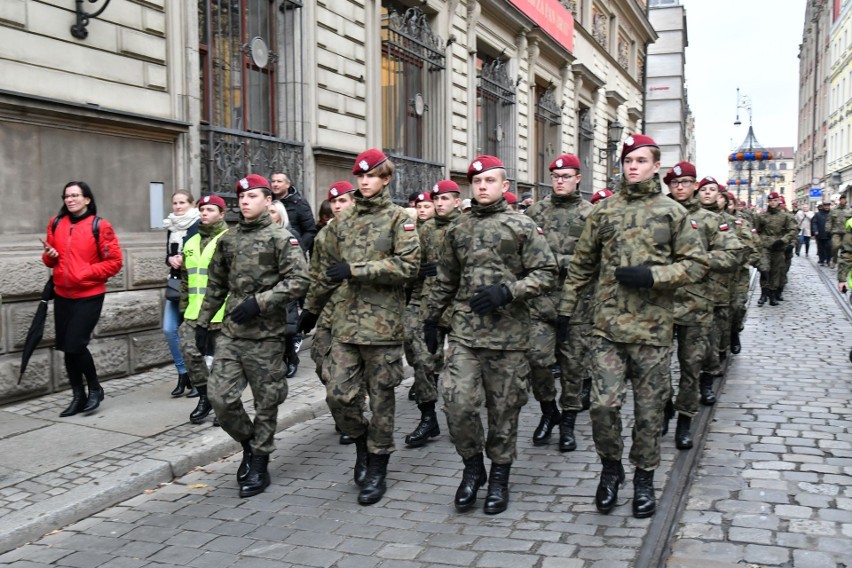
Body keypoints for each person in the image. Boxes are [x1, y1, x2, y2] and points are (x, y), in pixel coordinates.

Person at [557, 135, 708, 519]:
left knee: (649, 412)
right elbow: (581, 265)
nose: (633, 167)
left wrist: (653, 276)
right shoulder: (603, 212)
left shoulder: (671, 212)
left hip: (652, 332)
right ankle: (611, 470)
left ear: (656, 166)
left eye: (641, 160)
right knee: (603, 407)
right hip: (606, 328)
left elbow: (695, 265)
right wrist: (565, 311)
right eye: (628, 161)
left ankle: (644, 478)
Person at [424, 155, 557, 515]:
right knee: (457, 403)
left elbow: (547, 272)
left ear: (504, 186)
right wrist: (431, 320)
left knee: (504, 410)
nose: (482, 187)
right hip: (465, 334)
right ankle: (473, 468)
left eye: (490, 181)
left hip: (509, 337)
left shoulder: (522, 226)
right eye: (477, 182)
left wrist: (509, 291)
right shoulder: (458, 229)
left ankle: (499, 475)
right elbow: (446, 279)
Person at [298, 149, 420, 506]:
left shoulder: (400, 219)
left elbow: (408, 266)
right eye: (360, 177)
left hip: (383, 327)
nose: (364, 182)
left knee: (382, 399)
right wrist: (310, 310)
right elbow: (325, 271)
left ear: (386, 178)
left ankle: (377, 463)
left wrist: (358, 269)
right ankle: (363, 443)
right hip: (345, 325)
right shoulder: (343, 222)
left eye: (371, 176)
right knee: (339, 395)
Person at [196, 174, 310, 498]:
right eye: (241, 197)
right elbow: (216, 284)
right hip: (232, 333)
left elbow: (299, 281)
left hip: (266, 336)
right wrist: (203, 323)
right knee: (220, 397)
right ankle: (249, 443)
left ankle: (260, 460)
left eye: (253, 196)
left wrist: (259, 303)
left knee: (266, 402)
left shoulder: (280, 239)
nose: (245, 201)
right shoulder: (228, 240)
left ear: (268, 201)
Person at [665, 166, 741, 448]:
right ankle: (663, 407)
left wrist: (698, 259)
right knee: (656, 369)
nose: (680, 187)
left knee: (691, 365)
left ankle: (685, 421)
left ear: (694, 185)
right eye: (674, 183)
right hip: (657, 306)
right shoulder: (657, 214)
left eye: (685, 182)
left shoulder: (709, 220)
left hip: (697, 304)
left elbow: (733, 254)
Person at [523, 153, 593, 452]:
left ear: (578, 178)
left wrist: (555, 261)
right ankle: (548, 412)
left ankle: (568, 423)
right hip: (540, 303)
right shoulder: (535, 213)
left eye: (566, 176)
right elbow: (521, 253)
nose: (560, 181)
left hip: (577, 305)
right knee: (538, 361)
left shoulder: (591, 215)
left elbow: (594, 260)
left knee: (574, 367)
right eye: (556, 176)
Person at [42, 181, 123, 417]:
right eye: (66, 196)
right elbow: (49, 261)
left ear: (87, 199)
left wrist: (85, 273)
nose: (70, 199)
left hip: (89, 294)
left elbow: (114, 262)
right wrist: (50, 256)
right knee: (67, 348)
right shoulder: (56, 223)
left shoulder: (100, 226)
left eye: (75, 195)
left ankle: (95, 388)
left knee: (76, 343)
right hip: (63, 294)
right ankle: (78, 396)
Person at [404, 180, 462, 448]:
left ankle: (461, 420)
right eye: (436, 199)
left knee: (463, 371)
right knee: (424, 360)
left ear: (457, 201)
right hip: (429, 304)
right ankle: (428, 419)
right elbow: (414, 268)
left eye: (445, 199)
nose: (439, 204)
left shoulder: (467, 226)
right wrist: (418, 277)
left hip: (461, 305)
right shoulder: (425, 229)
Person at [309, 183, 361, 445]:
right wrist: (309, 310)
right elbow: (316, 276)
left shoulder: (366, 230)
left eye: (343, 201)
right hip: (330, 312)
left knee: (352, 371)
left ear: (354, 202)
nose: (338, 206)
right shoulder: (323, 237)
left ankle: (354, 418)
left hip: (360, 314)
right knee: (321, 362)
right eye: (334, 202)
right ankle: (346, 413)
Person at [178, 194, 229, 425]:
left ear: (221, 213)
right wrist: (183, 308)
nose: (204, 213)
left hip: (221, 312)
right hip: (194, 312)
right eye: (202, 209)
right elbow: (186, 280)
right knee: (190, 352)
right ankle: (205, 397)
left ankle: (223, 405)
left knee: (221, 362)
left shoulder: (229, 240)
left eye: (210, 209)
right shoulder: (190, 242)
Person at [163, 190, 200, 398]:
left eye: (182, 203)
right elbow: (167, 254)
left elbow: (200, 255)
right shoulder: (171, 225)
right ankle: (182, 372)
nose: (178, 207)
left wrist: (184, 260)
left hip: (194, 286)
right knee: (169, 329)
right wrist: (171, 259)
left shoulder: (197, 225)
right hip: (175, 284)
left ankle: (197, 378)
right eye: (175, 203)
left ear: (191, 204)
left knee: (191, 335)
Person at [754, 192, 798, 305]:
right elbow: (756, 231)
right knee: (764, 269)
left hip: (778, 247)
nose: (773, 203)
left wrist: (783, 240)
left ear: (778, 201)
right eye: (770, 201)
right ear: (768, 202)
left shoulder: (785, 216)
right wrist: (759, 241)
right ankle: (763, 294)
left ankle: (772, 295)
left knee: (776, 271)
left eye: (775, 200)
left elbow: (793, 230)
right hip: (765, 246)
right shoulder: (762, 216)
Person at [270, 171, 318, 253]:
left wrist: (299, 249)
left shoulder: (299, 203)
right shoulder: (268, 201)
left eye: (279, 181)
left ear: (288, 184)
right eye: (273, 181)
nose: (275, 184)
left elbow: (310, 231)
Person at [829, 194, 850, 268]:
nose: (843, 201)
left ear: (846, 200)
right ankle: (834, 260)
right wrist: (828, 230)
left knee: (845, 248)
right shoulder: (834, 209)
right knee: (835, 246)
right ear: (839, 200)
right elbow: (829, 220)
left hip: (846, 232)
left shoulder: (849, 209)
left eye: (844, 199)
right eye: (841, 199)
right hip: (836, 231)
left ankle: (842, 262)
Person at [812, 202, 833, 267]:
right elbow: (814, 223)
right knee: (821, 248)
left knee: (829, 247)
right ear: (823, 206)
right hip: (820, 234)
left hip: (829, 234)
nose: (827, 207)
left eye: (828, 206)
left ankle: (828, 260)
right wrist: (815, 230)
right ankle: (822, 260)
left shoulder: (832, 214)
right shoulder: (818, 214)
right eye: (825, 206)